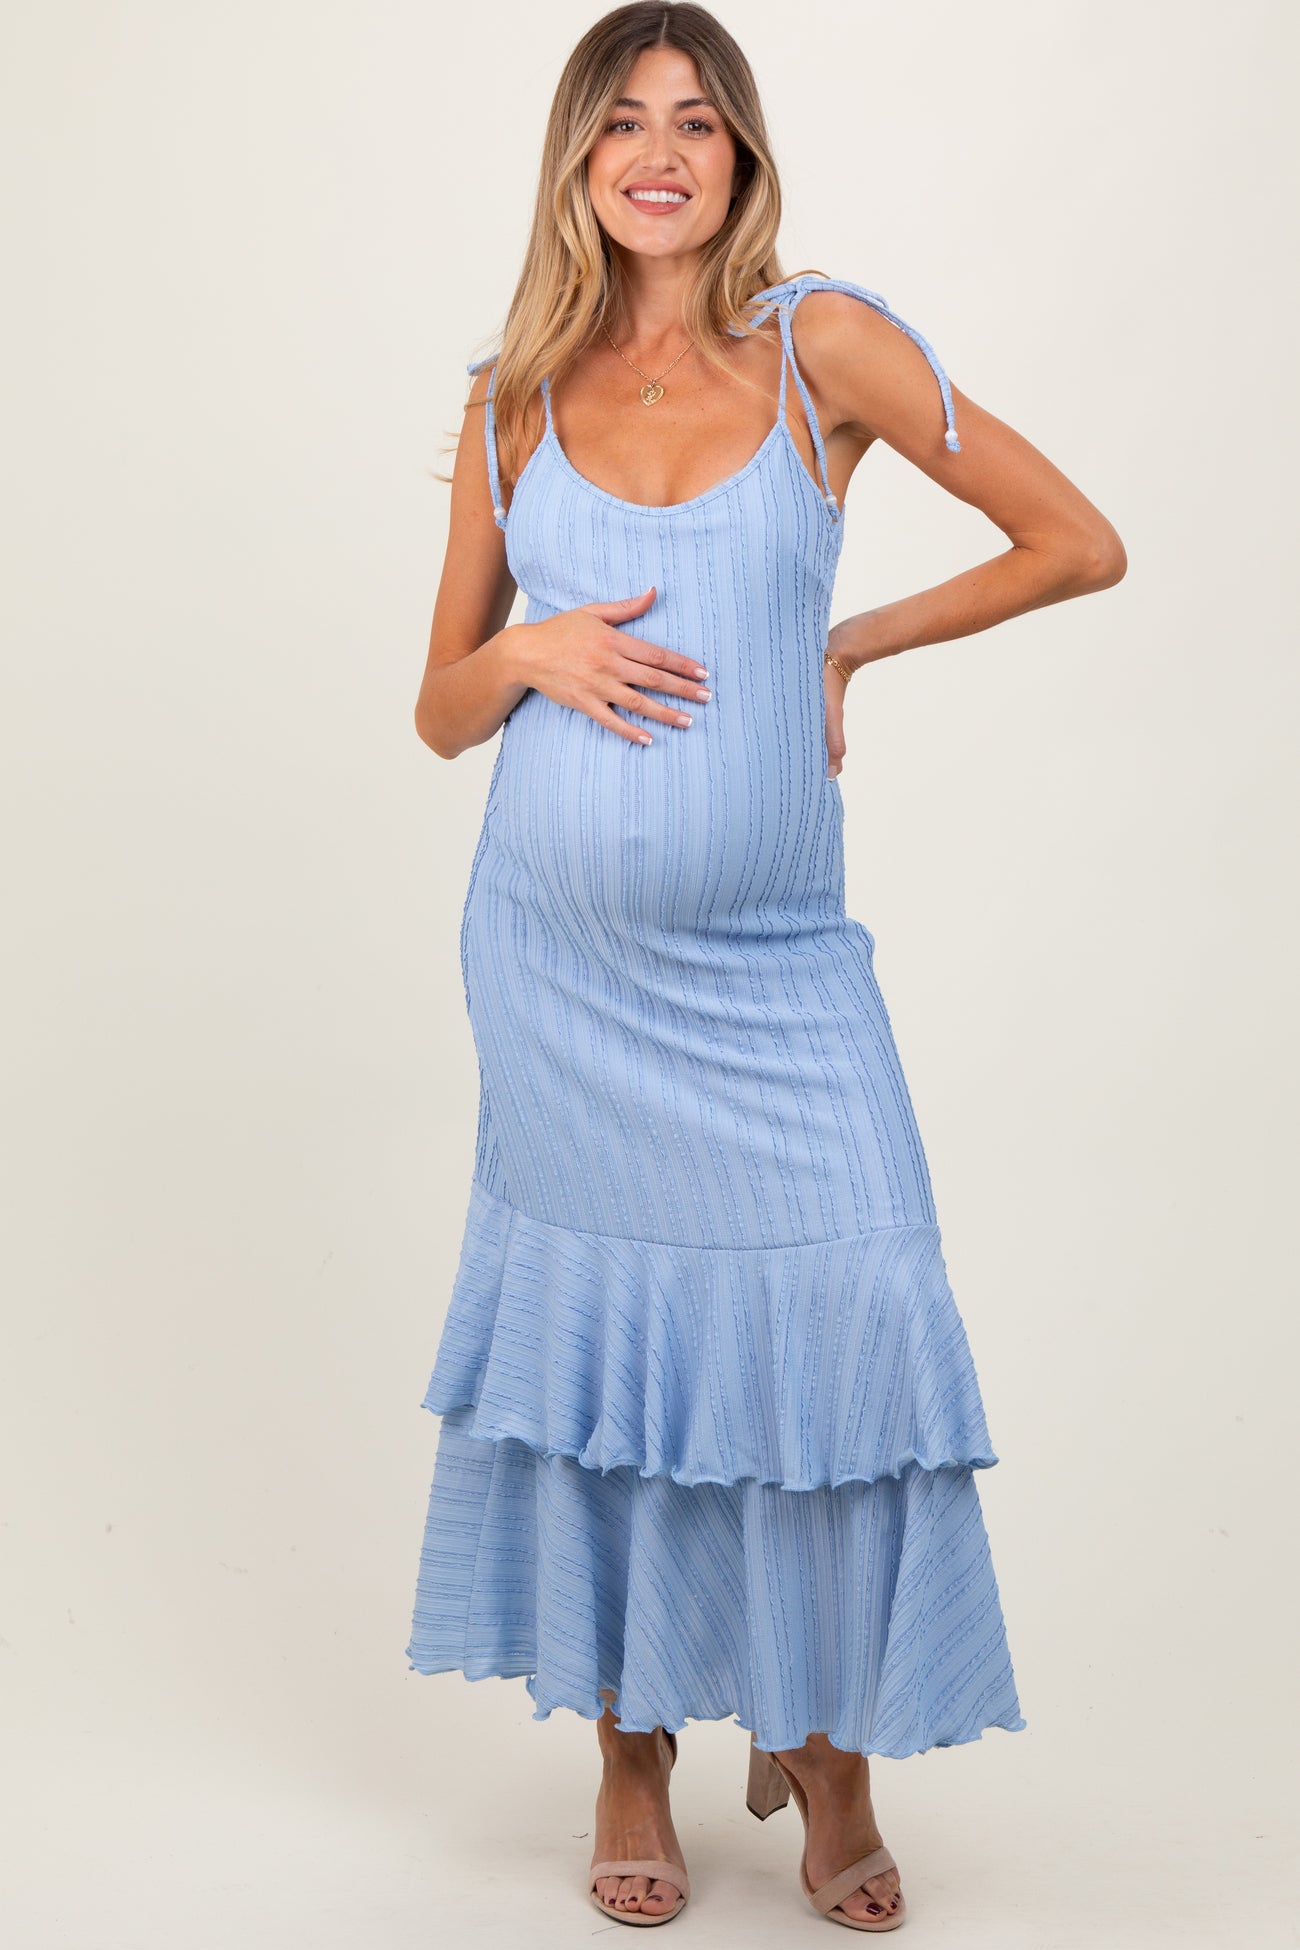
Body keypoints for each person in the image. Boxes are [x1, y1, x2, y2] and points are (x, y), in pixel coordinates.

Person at [406, 1, 1126, 1932]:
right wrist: (528, 653)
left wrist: (851, 639)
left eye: (697, 122)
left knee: (844, 1310)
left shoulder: (825, 347)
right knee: (617, 1357)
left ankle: (826, 1747)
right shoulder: (509, 399)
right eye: (623, 121)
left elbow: (1078, 542)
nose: (660, 153)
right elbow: (438, 708)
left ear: (741, 159)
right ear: (576, 160)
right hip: (558, 976)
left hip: (777, 970)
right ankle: (632, 1747)